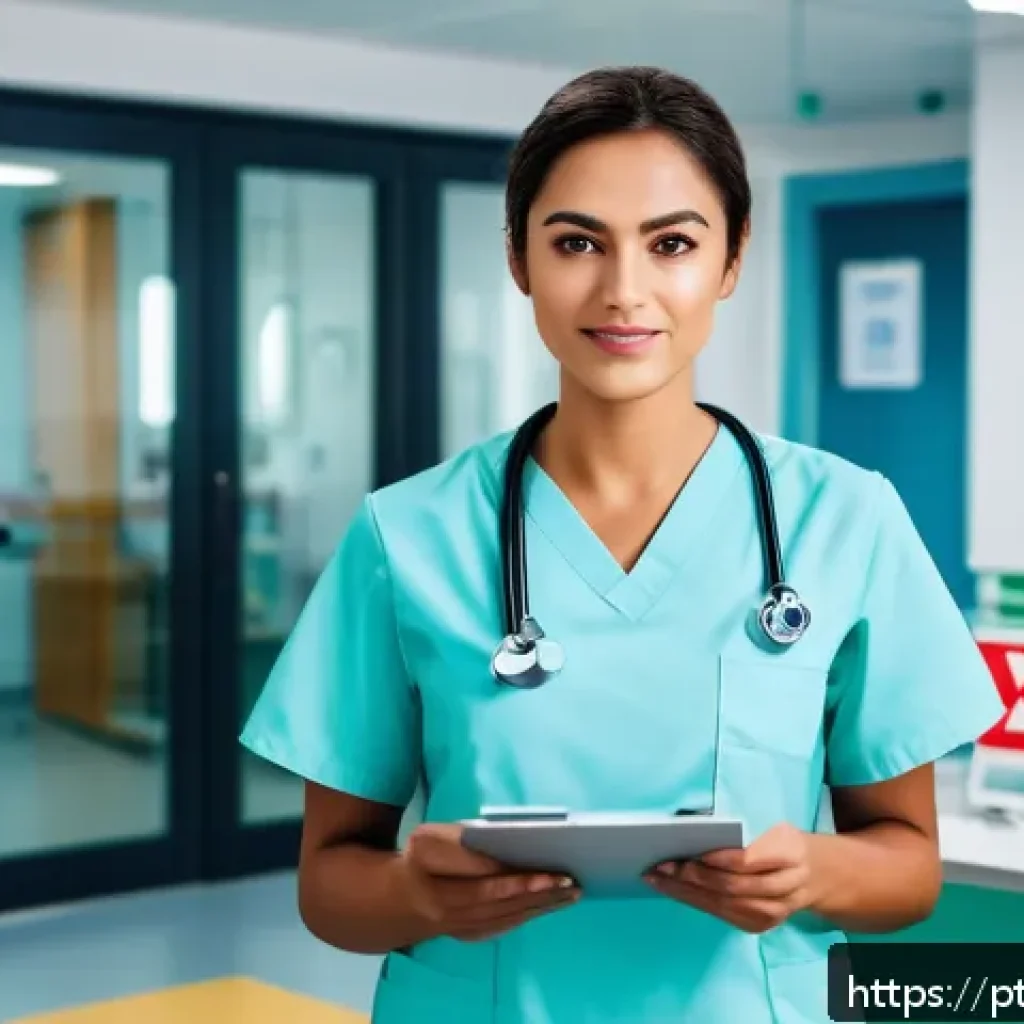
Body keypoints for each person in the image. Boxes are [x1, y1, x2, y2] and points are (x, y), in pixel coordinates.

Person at [239, 66, 1004, 1023]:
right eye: (576, 243)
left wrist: (811, 872)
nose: (623, 291)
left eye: (673, 243)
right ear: (519, 258)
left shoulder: (846, 520)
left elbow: (908, 872)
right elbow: (328, 888)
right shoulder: (407, 535)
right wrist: (414, 894)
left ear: (731, 261)